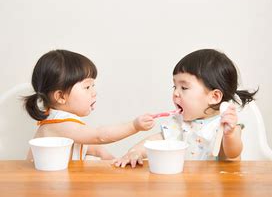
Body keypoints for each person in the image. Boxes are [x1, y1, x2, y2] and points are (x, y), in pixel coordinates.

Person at [114, 48, 258, 168]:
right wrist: (135, 152)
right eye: (174, 86)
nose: (175, 93)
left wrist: (230, 134)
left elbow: (232, 155)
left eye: (184, 87)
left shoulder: (225, 126)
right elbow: (156, 140)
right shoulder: (180, 123)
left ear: (214, 97)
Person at [24, 49, 155, 160]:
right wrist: (134, 126)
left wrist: (104, 155)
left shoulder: (60, 120)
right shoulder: (59, 124)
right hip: (45, 187)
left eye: (93, 85)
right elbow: (99, 136)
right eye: (87, 87)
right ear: (61, 96)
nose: (94, 92)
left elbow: (87, 144)